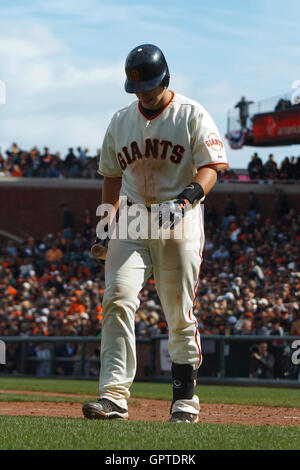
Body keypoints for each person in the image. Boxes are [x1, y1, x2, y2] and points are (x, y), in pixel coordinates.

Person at [82, 44, 228, 423]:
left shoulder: (190, 114)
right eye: (137, 88)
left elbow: (212, 166)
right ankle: (113, 397)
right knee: (116, 298)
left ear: (165, 78)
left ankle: (185, 400)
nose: (143, 93)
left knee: (178, 312)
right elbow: (112, 176)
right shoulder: (120, 120)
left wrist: (186, 198)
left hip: (178, 216)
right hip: (132, 217)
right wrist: (105, 222)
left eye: (148, 85)